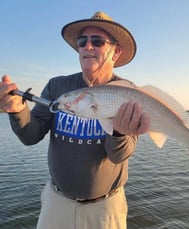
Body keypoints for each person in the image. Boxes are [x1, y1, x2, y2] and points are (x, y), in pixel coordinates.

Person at [0, 12, 150, 229]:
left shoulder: (127, 93)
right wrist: (17, 111)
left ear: (115, 52)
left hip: (106, 209)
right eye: (82, 41)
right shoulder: (56, 86)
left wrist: (118, 132)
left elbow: (119, 155)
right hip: (56, 203)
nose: (88, 47)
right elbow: (30, 136)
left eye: (97, 41)